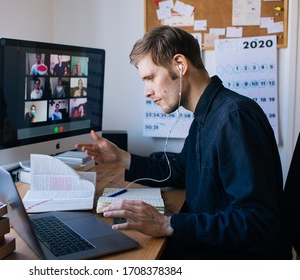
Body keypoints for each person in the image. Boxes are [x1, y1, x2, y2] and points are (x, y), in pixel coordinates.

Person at [76, 26, 291, 260]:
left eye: (150, 78)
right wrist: (121, 158)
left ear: (180, 64)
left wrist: (168, 223)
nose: (146, 92)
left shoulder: (234, 118)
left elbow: (258, 222)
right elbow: (181, 170)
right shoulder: (205, 116)